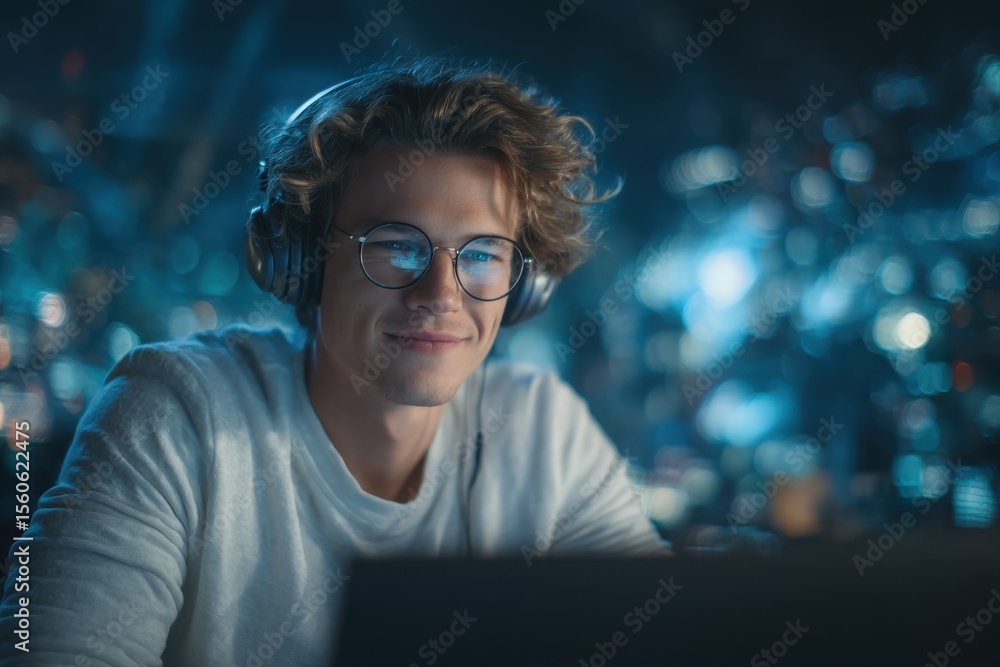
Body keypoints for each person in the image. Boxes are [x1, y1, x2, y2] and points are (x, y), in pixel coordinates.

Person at [0, 56, 668, 666]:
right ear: (299, 263)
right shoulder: (175, 411)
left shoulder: (543, 428)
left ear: (523, 285)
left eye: (484, 253)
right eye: (396, 245)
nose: (441, 295)